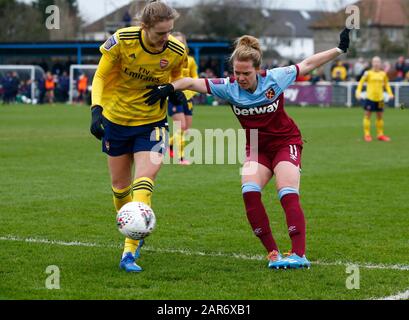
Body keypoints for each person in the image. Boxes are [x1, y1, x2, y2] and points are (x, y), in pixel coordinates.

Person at [144, 29, 351, 270]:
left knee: (286, 192)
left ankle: (298, 254)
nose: (240, 78)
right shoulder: (228, 87)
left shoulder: (275, 78)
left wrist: (339, 50)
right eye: (236, 72)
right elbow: (191, 82)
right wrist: (168, 88)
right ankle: (273, 253)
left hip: (286, 143)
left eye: (246, 73)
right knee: (250, 193)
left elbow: (307, 64)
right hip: (256, 148)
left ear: (258, 69)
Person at [89, 0, 187, 273]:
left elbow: (180, 76)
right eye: (160, 33)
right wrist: (96, 109)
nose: (165, 38)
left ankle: (129, 252)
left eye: (169, 32)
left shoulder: (176, 49)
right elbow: (100, 76)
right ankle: (133, 230)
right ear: (144, 27)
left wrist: (170, 88)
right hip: (116, 122)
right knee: (121, 190)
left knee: (143, 183)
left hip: (152, 124)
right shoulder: (121, 40)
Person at [167, 32, 199, 165]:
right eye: (176, 41)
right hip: (174, 97)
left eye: (181, 42)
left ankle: (167, 145)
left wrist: (191, 92)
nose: (179, 44)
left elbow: (195, 77)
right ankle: (180, 158)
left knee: (186, 130)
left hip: (188, 97)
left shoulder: (190, 60)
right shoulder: (168, 59)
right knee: (181, 127)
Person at [356, 56, 394, 142]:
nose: (376, 63)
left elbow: (387, 85)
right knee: (367, 115)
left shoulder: (383, 74)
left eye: (378, 62)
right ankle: (367, 135)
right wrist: (358, 93)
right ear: (372, 63)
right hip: (370, 98)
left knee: (380, 116)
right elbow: (361, 83)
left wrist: (390, 93)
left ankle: (380, 135)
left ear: (380, 64)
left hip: (380, 99)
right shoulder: (367, 73)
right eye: (375, 62)